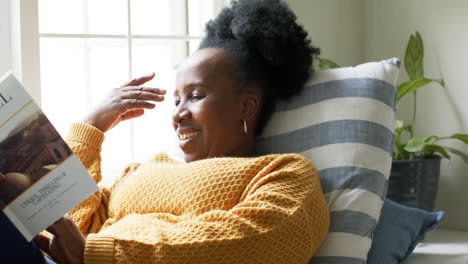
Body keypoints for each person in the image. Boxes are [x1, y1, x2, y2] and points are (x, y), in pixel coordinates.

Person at [1, 0, 329, 263]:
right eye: (175, 101)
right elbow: (73, 227)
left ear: (246, 106)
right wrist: (93, 126)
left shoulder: (284, 172)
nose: (178, 114)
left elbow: (260, 244)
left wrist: (96, 254)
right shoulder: (140, 170)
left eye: (196, 96)